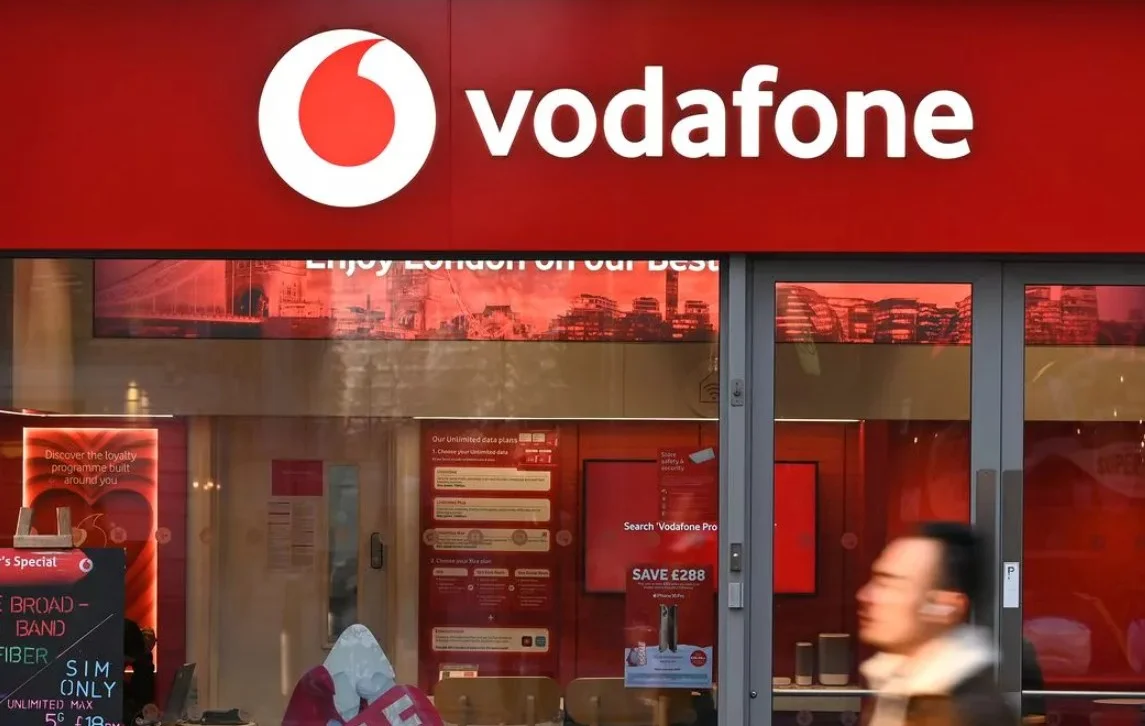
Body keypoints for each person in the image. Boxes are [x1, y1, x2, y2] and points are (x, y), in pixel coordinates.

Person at [857, 522, 1014, 726]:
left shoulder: (971, 714)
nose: (866, 596)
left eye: (889, 584)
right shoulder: (899, 688)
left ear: (946, 607)